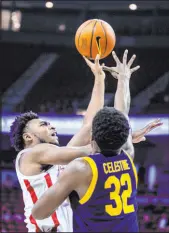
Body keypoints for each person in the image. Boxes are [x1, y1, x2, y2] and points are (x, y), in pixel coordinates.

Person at [31, 50, 162, 232]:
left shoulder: (81, 168)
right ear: (123, 138)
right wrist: (124, 79)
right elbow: (122, 113)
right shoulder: (127, 156)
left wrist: (59, 179)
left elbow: (38, 213)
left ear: (92, 138)